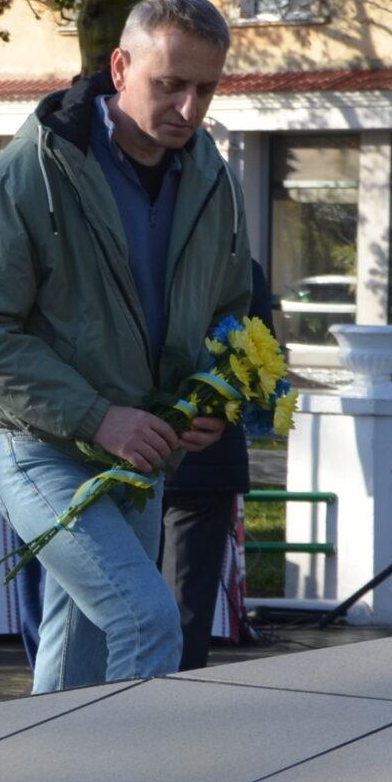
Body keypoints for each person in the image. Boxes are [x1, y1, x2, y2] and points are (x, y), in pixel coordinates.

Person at [0, 0, 253, 697]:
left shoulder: (213, 179)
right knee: (148, 619)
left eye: (205, 89)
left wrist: (218, 396)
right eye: (169, 84)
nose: (188, 108)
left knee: (77, 659)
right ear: (120, 67)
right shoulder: (33, 170)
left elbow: (234, 317)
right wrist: (97, 417)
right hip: (37, 446)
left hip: (141, 449)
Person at [158, 260, 276, 674]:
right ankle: (166, 711)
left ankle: (154, 713)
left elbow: (262, 369)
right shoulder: (240, 267)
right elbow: (261, 367)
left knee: (171, 609)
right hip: (188, 457)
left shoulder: (125, 252)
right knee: (182, 605)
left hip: (185, 460)